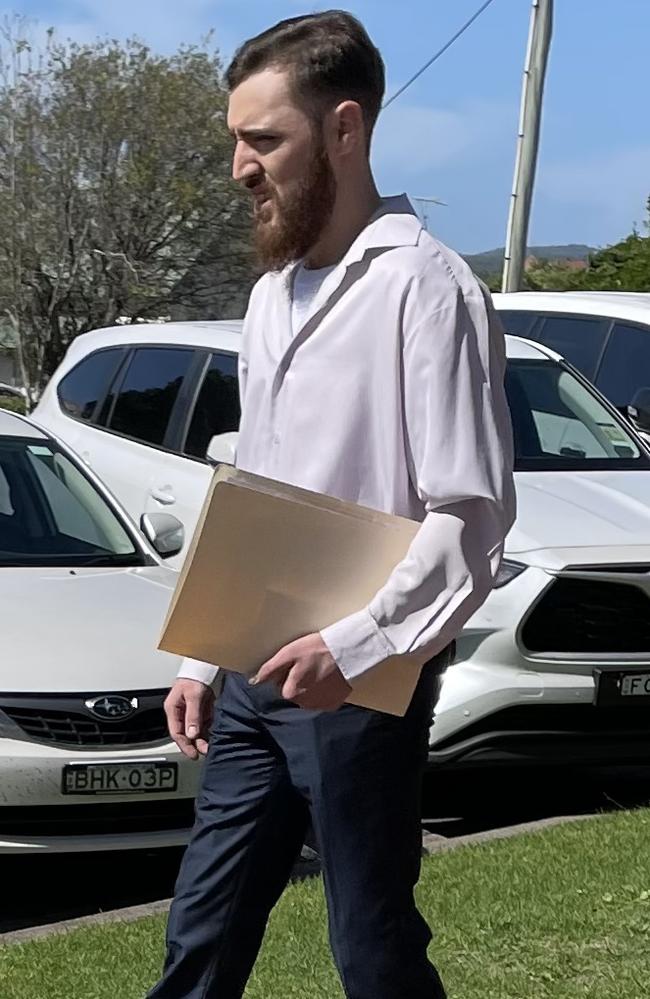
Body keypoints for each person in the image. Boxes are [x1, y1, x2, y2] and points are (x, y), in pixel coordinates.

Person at [148, 11, 515, 999]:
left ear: (344, 130)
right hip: (250, 674)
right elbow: (255, 489)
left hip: (358, 687)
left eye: (263, 139)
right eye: (236, 138)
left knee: (371, 944)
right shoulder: (272, 294)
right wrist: (202, 651)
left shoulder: (424, 290)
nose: (239, 166)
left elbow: (469, 517)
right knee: (201, 936)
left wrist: (351, 647)